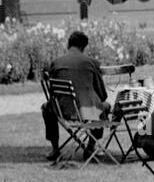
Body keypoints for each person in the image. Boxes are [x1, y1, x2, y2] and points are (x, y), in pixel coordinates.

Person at [43, 31, 110, 162]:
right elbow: (102, 95)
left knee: (46, 108)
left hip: (62, 111)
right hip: (88, 111)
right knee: (105, 107)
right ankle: (91, 146)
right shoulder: (91, 63)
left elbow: (52, 94)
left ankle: (55, 148)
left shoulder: (56, 62)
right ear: (84, 47)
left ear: (69, 44)